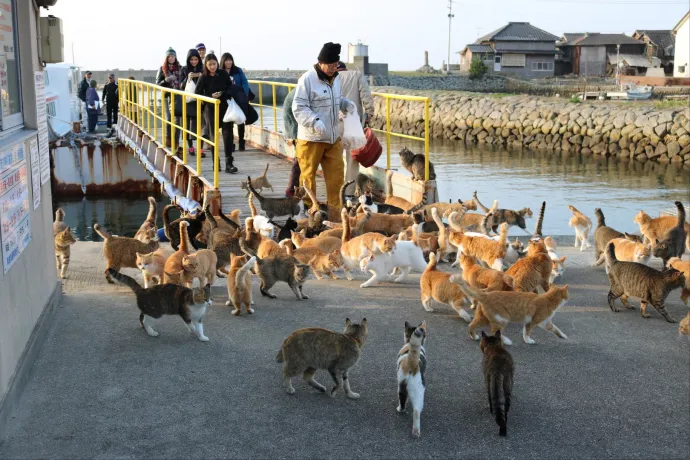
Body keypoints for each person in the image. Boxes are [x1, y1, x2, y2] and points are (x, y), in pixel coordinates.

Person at [292, 42, 355, 208]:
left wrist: (345, 104)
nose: (334, 68)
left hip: (332, 138)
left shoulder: (336, 79)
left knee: (337, 178)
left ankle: (336, 215)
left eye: (336, 65)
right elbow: (298, 107)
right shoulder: (307, 79)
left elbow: (337, 99)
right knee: (307, 177)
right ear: (321, 62)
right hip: (311, 138)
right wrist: (314, 121)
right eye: (331, 65)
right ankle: (308, 213)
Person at [194, 53, 238, 174]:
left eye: (214, 64)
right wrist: (210, 96)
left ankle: (229, 163)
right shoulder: (203, 77)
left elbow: (231, 88)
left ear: (217, 64)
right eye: (210, 65)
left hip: (224, 107)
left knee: (228, 135)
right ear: (206, 65)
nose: (213, 67)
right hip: (210, 109)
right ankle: (216, 163)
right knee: (213, 136)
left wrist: (223, 94)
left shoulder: (223, 74)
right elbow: (197, 93)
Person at [336, 61, 374, 197]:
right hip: (353, 123)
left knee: (335, 158)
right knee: (352, 159)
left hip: (335, 123)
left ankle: (335, 190)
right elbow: (366, 96)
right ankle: (349, 192)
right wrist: (369, 114)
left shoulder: (331, 77)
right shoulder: (356, 75)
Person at [155, 47, 184, 149]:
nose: (171, 58)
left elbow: (184, 82)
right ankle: (168, 139)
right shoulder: (162, 69)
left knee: (178, 121)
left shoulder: (180, 68)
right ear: (166, 58)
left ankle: (176, 143)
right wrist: (166, 80)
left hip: (178, 97)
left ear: (175, 57)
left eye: (173, 56)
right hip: (167, 96)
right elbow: (157, 84)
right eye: (169, 56)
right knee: (169, 119)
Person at [220, 53, 249, 151]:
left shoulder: (238, 70)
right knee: (230, 121)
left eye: (230, 60)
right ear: (223, 61)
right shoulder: (221, 72)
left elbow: (244, 82)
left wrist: (243, 94)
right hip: (227, 99)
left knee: (240, 120)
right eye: (226, 60)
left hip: (239, 98)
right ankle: (231, 143)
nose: (229, 62)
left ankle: (241, 141)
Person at [180, 48, 204, 157]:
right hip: (188, 102)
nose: (194, 61)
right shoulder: (184, 70)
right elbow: (180, 86)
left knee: (201, 126)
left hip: (200, 101)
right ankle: (190, 147)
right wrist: (187, 78)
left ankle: (201, 149)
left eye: (196, 59)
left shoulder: (202, 68)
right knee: (188, 125)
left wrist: (201, 76)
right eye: (192, 59)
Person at [283, 88, 301, 197]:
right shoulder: (298, 94)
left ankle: (292, 189)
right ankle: (291, 189)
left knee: (298, 161)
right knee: (299, 161)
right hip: (297, 132)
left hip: (293, 131)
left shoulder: (294, 92)